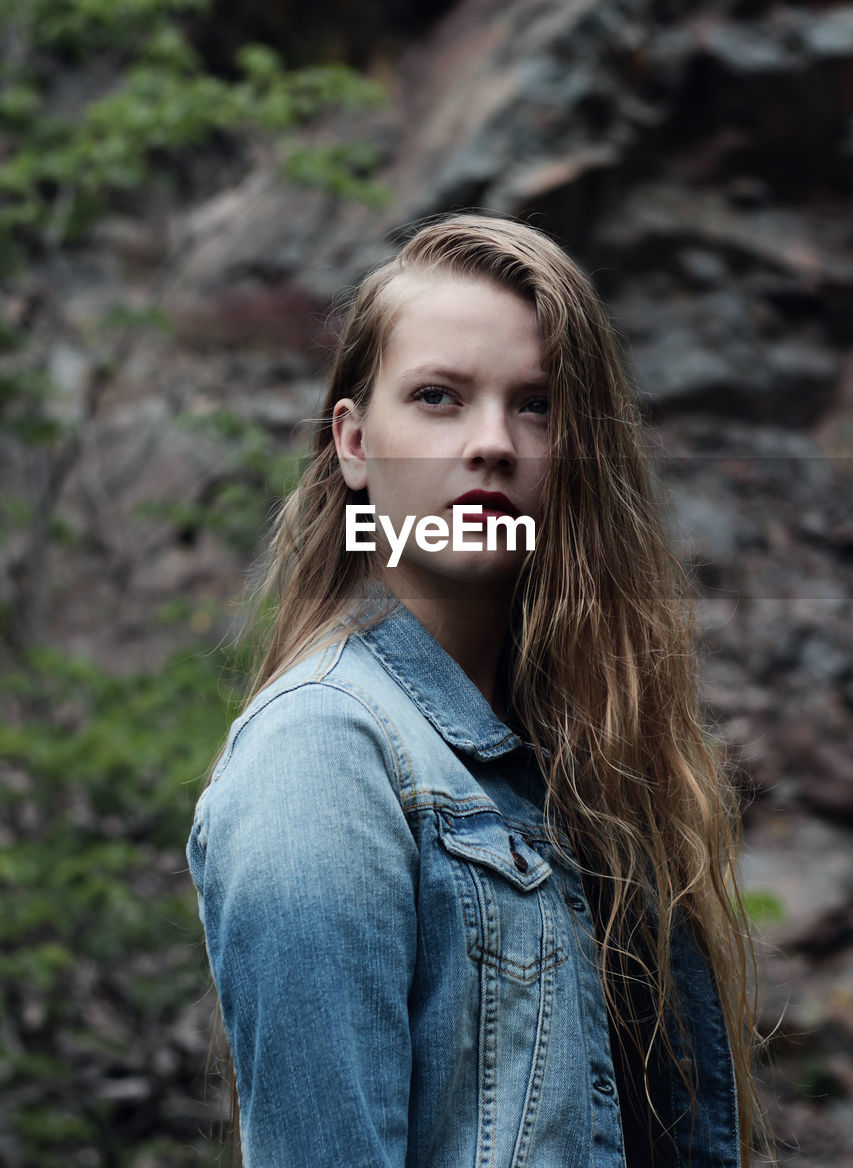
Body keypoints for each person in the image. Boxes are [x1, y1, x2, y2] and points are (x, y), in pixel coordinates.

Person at [186, 213, 772, 1167]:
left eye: (536, 405)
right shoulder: (324, 753)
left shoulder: (581, 761)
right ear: (354, 442)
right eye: (438, 397)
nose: (493, 442)